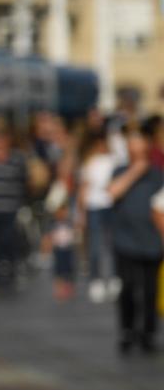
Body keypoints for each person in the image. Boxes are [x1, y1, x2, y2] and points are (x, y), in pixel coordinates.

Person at [105, 130, 164, 354]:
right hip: (125, 239)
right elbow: (112, 192)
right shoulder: (120, 171)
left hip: (151, 241)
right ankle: (127, 330)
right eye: (132, 146)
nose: (136, 151)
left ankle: (148, 333)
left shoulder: (158, 175)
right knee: (128, 287)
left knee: (150, 290)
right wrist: (134, 172)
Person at [0, 127, 32, 295]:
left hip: (10, 208)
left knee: (9, 242)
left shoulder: (17, 159)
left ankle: (11, 274)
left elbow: (25, 181)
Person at [76, 123, 121, 303]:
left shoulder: (114, 160)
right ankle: (96, 279)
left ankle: (114, 278)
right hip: (94, 206)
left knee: (113, 244)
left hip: (111, 206)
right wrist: (81, 213)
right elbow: (83, 189)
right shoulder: (90, 162)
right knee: (95, 245)